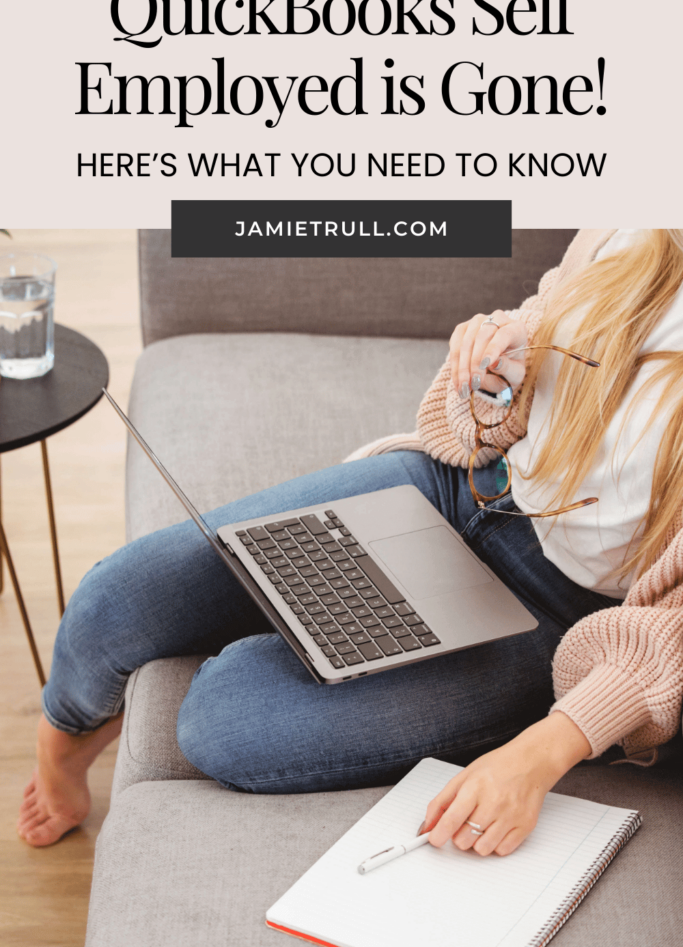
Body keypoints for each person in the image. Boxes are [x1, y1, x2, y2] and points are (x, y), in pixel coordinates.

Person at [17, 228, 683, 856]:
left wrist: (542, 750)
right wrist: (496, 365)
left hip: (563, 618)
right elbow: (538, 334)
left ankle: (345, 641)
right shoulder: (639, 225)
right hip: (463, 487)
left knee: (224, 719)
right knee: (112, 601)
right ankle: (66, 745)